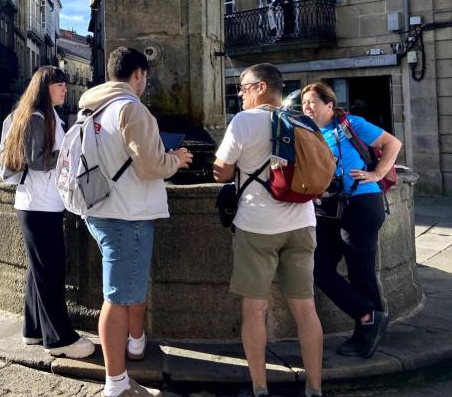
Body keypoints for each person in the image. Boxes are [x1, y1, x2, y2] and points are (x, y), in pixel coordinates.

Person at [77, 47, 193, 397]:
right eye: (146, 76)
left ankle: (134, 350)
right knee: (116, 297)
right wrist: (175, 158)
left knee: (124, 291)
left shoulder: (91, 108)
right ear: (139, 74)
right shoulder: (132, 109)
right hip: (127, 213)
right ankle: (116, 384)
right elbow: (150, 166)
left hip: (99, 208)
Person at [213, 64, 323, 397]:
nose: (240, 94)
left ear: (261, 87)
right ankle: (315, 389)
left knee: (254, 309)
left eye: (243, 88)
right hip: (302, 223)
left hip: (258, 226)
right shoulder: (304, 120)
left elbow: (221, 171)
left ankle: (260, 388)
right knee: (306, 309)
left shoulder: (244, 121)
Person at [0, 66, 95, 360]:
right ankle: (59, 338)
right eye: (59, 84)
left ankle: (34, 329)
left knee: (38, 270)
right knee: (50, 271)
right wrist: (70, 154)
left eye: (65, 83)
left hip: (43, 203)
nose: (65, 88)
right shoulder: (38, 118)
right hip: (37, 205)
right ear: (44, 87)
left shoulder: (48, 116)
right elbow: (38, 161)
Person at [301, 82, 402, 358]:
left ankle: (365, 331)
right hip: (330, 208)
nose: (307, 107)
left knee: (361, 271)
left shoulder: (350, 124)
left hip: (360, 203)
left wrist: (377, 175)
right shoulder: (311, 133)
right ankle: (369, 316)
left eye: (312, 102)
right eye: (304, 103)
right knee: (318, 267)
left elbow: (392, 143)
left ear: (329, 105)